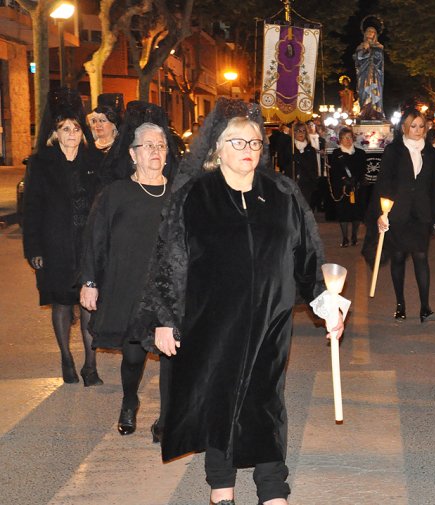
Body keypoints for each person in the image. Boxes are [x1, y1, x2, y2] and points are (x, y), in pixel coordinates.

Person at [131, 98, 341, 505]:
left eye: (255, 143)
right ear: (217, 148)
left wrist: (325, 300)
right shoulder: (195, 196)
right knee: (219, 395)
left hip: (270, 318)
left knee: (265, 398)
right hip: (212, 319)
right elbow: (169, 258)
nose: (248, 151)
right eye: (238, 143)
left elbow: (308, 254)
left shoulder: (282, 192)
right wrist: (163, 317)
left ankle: (272, 487)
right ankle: (221, 485)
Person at [80, 116, 175, 440]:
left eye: (160, 146)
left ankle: (166, 420)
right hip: (129, 286)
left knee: (171, 355)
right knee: (133, 356)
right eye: (148, 145)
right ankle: (129, 400)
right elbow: (95, 238)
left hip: (170, 291)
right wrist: (90, 282)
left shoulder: (179, 194)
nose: (155, 151)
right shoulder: (116, 193)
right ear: (132, 154)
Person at [22, 87, 103, 385]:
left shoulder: (94, 162)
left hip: (87, 247)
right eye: (64, 128)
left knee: (88, 306)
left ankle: (90, 365)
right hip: (54, 246)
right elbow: (30, 208)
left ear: (82, 133)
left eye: (75, 128)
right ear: (55, 133)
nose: (70, 133)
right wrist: (34, 248)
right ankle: (66, 358)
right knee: (62, 304)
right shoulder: (41, 164)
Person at [365, 107, 435, 322]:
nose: (418, 130)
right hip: (398, 213)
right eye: (413, 126)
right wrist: (382, 213)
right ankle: (400, 304)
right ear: (404, 128)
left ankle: (425, 307)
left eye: (421, 126)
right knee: (398, 257)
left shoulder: (431, 153)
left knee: (421, 257)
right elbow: (384, 183)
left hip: (421, 213)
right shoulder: (393, 151)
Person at [328, 127, 366, 247]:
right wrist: (344, 180)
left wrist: (356, 180)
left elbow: (363, 169)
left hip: (357, 187)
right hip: (343, 188)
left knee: (356, 213)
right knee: (343, 212)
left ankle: (354, 236)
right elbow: (334, 171)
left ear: (353, 138)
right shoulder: (336, 154)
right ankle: (345, 238)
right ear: (340, 140)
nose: (347, 140)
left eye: (349, 137)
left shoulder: (360, 153)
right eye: (344, 138)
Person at [355, 16, 385, 120]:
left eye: (372, 31)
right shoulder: (360, 46)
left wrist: (371, 50)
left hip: (375, 74)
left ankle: (375, 112)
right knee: (364, 92)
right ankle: (365, 111)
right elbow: (357, 60)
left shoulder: (379, 46)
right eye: (368, 31)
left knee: (375, 92)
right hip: (364, 74)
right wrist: (364, 50)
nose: (369, 33)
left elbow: (379, 59)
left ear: (375, 34)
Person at [291, 122, 320, 208]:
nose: (301, 133)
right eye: (298, 131)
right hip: (293, 180)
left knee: (305, 205)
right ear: (294, 133)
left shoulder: (310, 149)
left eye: (303, 131)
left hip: (306, 182)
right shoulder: (290, 147)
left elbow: (313, 167)